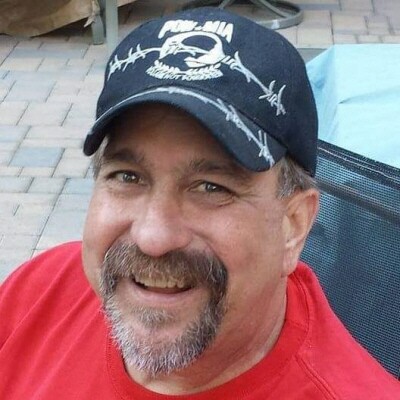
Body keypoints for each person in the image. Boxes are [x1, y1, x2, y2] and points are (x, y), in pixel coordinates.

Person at [0, 7, 399, 399]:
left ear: (293, 225)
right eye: (127, 177)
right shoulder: (40, 291)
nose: (153, 238)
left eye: (211, 188)